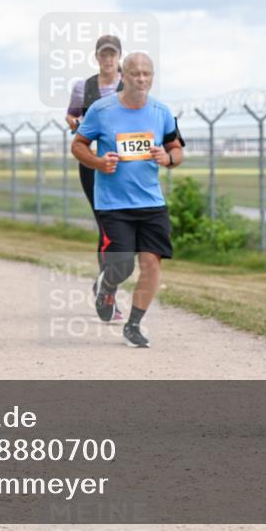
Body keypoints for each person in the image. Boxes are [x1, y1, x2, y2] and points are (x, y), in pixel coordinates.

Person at [72, 52, 184, 348]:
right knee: (122, 265)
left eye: (147, 73)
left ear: (153, 77)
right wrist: (97, 162)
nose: (142, 79)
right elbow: (78, 145)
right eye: (136, 73)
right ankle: (106, 287)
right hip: (113, 204)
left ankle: (133, 325)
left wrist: (168, 158)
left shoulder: (161, 112)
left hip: (151, 202)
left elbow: (177, 150)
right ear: (124, 75)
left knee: (151, 263)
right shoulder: (102, 109)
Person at [66, 34, 125, 320]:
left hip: (127, 168)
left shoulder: (132, 84)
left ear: (120, 57)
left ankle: (106, 284)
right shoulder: (83, 87)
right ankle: (108, 293)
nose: (108, 59)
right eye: (104, 54)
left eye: (113, 54)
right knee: (107, 228)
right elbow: (71, 116)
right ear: (97, 57)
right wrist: (77, 123)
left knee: (128, 230)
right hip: (92, 165)